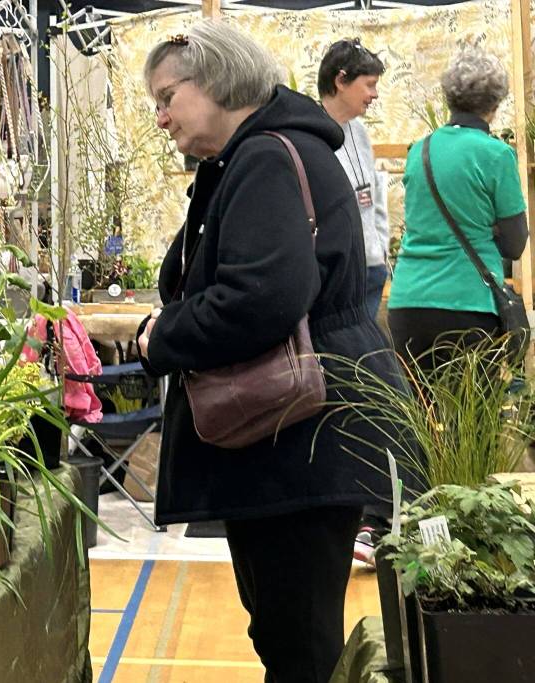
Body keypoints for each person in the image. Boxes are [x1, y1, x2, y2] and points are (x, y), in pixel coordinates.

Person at [136, 22, 402, 683]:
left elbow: (263, 294)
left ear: (218, 80)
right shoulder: (264, 154)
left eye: (168, 96)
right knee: (291, 632)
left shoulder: (265, 158)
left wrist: (161, 337)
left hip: (303, 441)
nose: (162, 116)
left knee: (298, 642)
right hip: (302, 436)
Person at [387, 47, 527, 370]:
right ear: (495, 104)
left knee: (422, 416)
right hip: (469, 303)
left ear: (449, 98)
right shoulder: (496, 154)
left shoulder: (418, 151)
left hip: (408, 302)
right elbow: (515, 243)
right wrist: (489, 229)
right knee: (475, 417)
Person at [318, 39, 390, 320]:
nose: (374, 94)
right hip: (337, 276)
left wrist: (380, 249)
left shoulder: (359, 131)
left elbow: (374, 195)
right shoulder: (311, 132)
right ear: (340, 80)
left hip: (371, 268)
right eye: (369, 84)